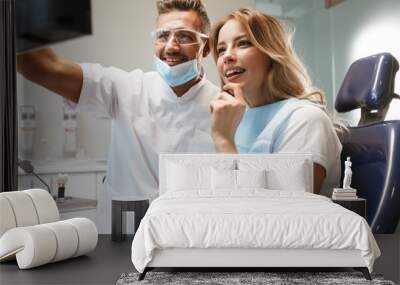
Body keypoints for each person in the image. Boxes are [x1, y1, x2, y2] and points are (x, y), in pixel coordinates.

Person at [17, 0, 219, 230]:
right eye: (163, 36)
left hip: (189, 241)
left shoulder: (224, 107)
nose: (171, 47)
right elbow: (41, 67)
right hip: (120, 240)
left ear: (206, 46)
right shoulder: (124, 88)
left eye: (184, 36)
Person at [209, 8, 342, 195]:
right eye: (221, 49)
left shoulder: (306, 120)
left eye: (243, 44)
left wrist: (223, 141)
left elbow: (285, 212)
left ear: (271, 54)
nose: (227, 56)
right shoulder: (235, 119)